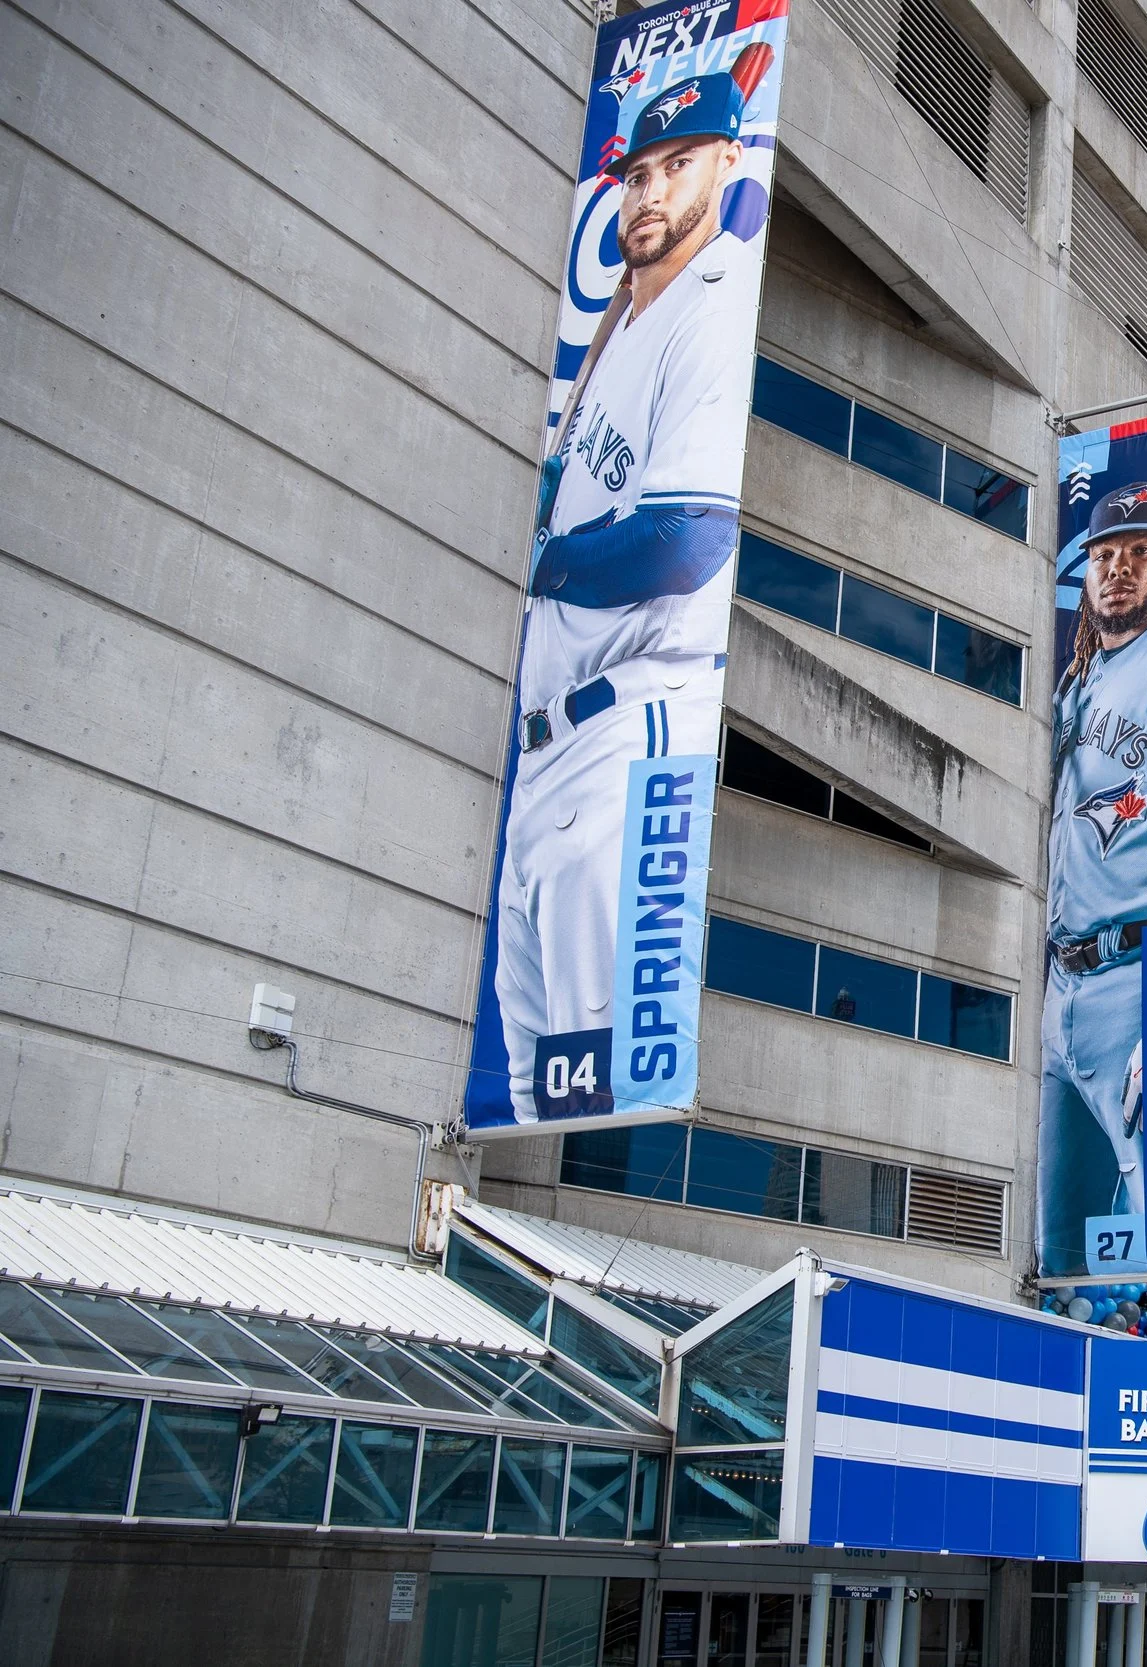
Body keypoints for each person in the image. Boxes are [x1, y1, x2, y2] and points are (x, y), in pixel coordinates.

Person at [487, 71, 762, 1122]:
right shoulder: (623, 314)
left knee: (594, 1072)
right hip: (546, 752)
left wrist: (551, 559)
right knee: (526, 1094)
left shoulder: (711, 300)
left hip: (623, 730)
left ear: (727, 162)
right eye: (636, 173)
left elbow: (689, 538)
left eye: (678, 164)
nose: (650, 193)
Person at [1038, 478, 1147, 1267]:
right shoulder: (1079, 679)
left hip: (1139, 980)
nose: (1116, 568)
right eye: (1103, 553)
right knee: (1061, 1254)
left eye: (1139, 551)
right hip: (1060, 989)